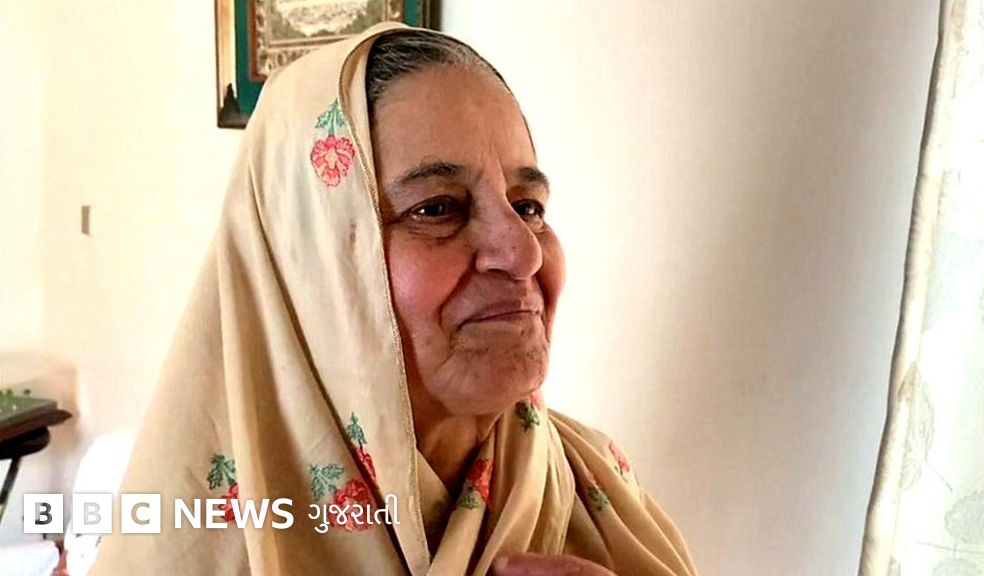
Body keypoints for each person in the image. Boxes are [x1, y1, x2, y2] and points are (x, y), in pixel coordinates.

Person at [89, 23, 699, 576]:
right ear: (311, 268)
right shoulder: (201, 539)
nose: (522, 253)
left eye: (528, 206)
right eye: (437, 209)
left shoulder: (596, 489)